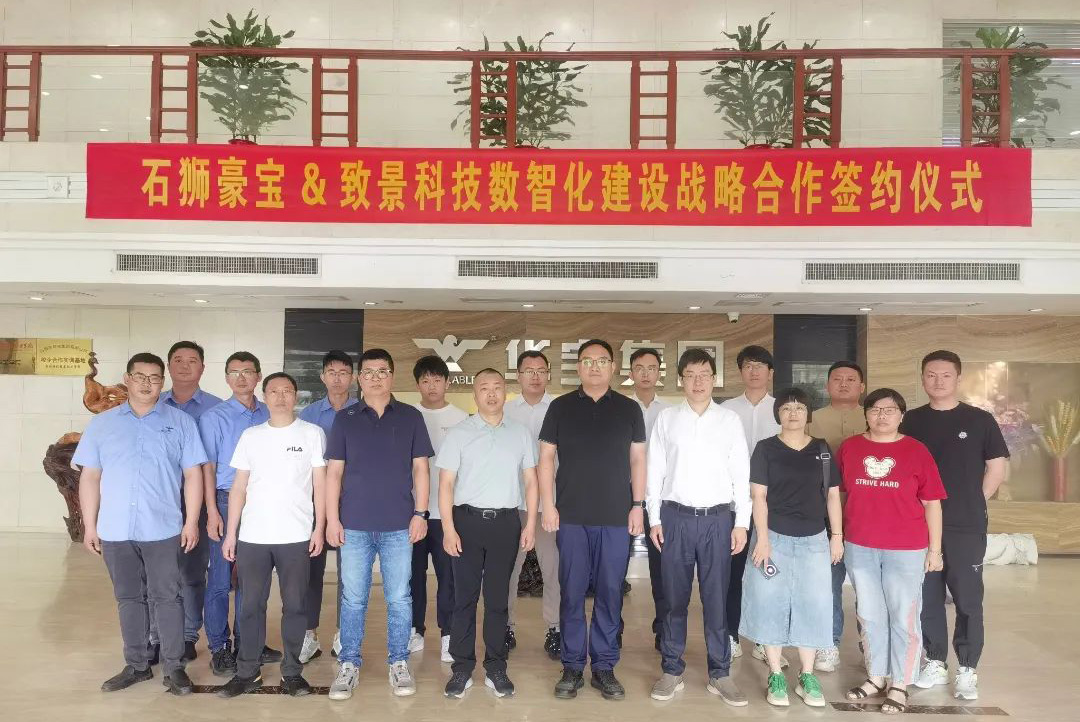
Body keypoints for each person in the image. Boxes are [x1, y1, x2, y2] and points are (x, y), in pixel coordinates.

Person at [74, 352, 206, 695]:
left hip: (162, 527)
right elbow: (90, 477)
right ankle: (136, 665)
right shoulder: (102, 425)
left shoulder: (180, 423)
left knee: (168, 597)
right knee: (128, 598)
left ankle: (174, 668)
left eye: (154, 378)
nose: (147, 383)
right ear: (127, 379)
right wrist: (90, 526)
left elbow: (193, 475)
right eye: (140, 376)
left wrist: (192, 521)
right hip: (115, 528)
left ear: (162, 382)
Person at [538, 339, 646, 701]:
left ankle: (603, 666)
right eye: (587, 361)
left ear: (613, 367)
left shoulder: (629, 409)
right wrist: (548, 505)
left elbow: (638, 460)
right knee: (571, 592)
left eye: (602, 361)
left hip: (616, 517)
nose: (595, 367)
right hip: (571, 516)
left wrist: (638, 505)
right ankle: (572, 666)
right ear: (578, 367)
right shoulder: (560, 407)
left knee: (610, 592)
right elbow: (546, 458)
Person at [325, 348, 433, 701]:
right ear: (359, 378)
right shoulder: (345, 419)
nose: (375, 378)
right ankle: (349, 663)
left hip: (399, 525)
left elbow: (421, 469)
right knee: (353, 599)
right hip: (353, 525)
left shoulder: (411, 417)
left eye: (382, 371)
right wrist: (332, 519)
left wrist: (420, 514)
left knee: (399, 598)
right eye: (368, 372)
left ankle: (398, 662)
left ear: (392, 376)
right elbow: (333, 473)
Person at [646, 348, 751, 706]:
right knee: (673, 599)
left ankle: (720, 673)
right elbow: (654, 471)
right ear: (680, 380)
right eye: (690, 375)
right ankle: (671, 669)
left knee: (716, 599)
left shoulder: (729, 420)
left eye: (704, 374)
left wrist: (742, 523)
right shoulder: (667, 419)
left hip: (718, 521)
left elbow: (741, 474)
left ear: (714, 378)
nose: (698, 381)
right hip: (674, 518)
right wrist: (655, 518)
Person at [902, 351, 1008, 701]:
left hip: (965, 524)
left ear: (958, 378)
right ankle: (935, 661)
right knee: (927, 594)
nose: (938, 381)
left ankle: (967, 667)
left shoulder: (979, 419)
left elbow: (996, 467)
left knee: (967, 595)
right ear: (922, 378)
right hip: (918, 523)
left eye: (945, 375)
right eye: (931, 375)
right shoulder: (910, 420)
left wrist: (974, 500)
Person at [218, 372, 327, 698]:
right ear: (264, 396)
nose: (281, 397)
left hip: (296, 535)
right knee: (250, 605)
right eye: (274, 391)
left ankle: (291, 672)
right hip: (253, 536)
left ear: (296, 396)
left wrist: (319, 527)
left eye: (287, 391)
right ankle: (247, 671)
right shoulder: (251, 436)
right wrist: (231, 534)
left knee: (295, 606)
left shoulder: (312, 433)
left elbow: (320, 485)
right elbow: (239, 487)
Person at [838, 388, 946, 715]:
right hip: (860, 545)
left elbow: (932, 503)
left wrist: (935, 550)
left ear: (901, 415)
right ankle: (876, 676)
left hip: (906, 547)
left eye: (889, 410)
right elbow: (839, 496)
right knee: (869, 614)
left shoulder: (916, 451)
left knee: (904, 615)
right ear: (866, 414)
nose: (882, 416)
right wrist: (839, 535)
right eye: (875, 409)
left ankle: (900, 682)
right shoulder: (850, 448)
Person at [739, 387, 844, 708]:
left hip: (814, 540)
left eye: (799, 408)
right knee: (769, 602)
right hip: (774, 538)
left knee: (813, 604)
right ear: (778, 415)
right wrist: (763, 539)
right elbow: (758, 496)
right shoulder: (765, 448)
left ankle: (807, 675)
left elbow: (833, 495)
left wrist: (836, 536)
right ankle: (775, 673)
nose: (793, 413)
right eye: (786, 408)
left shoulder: (822, 450)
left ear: (808, 413)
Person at [438, 369, 539, 698]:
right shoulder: (459, 433)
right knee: (464, 599)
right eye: (484, 388)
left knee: (498, 600)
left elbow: (531, 481)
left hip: (506, 524)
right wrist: (448, 528)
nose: (491, 393)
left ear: (505, 392)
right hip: (466, 523)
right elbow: (446, 484)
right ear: (475, 394)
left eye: (497, 387)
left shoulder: (520, 433)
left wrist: (530, 524)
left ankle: (496, 667)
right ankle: (462, 668)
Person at [198, 351, 277, 677]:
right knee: (220, 579)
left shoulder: (270, 413)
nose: (241, 378)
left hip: (262, 504)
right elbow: (208, 468)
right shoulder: (214, 417)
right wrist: (212, 511)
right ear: (226, 378)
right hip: (226, 501)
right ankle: (219, 648)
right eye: (234, 372)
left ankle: (248, 643)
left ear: (258, 376)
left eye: (247, 371)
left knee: (253, 581)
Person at [147, 340, 221, 664]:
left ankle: (189, 634)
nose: (185, 365)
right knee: (158, 571)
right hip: (159, 498)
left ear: (203, 367)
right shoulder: (152, 405)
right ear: (168, 367)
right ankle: (157, 636)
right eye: (178, 359)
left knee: (192, 570)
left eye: (192, 360)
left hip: (199, 499)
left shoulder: (216, 409)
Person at [720, 345, 782, 664]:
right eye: (748, 365)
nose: (754, 371)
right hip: (732, 506)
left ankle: (763, 640)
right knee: (731, 575)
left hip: (773, 507)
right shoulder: (726, 410)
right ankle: (731, 636)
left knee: (767, 576)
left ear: (770, 373)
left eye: (760, 366)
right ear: (740, 371)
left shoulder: (782, 409)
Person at [297, 350, 358, 663]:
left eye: (343, 372)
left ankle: (343, 634)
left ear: (353, 377)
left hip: (353, 500)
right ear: (322, 377)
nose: (337, 378)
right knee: (311, 569)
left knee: (350, 572)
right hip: (313, 500)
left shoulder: (362, 412)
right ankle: (308, 634)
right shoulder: (307, 416)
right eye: (332, 372)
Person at [807, 360, 866, 673]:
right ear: (827, 385)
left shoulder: (875, 416)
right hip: (824, 513)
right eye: (837, 379)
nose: (844, 384)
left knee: (868, 585)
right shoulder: (811, 419)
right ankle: (828, 642)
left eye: (851, 379)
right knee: (828, 582)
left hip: (867, 512)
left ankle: (870, 645)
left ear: (862, 386)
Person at [410, 355, 468, 662]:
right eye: (425, 381)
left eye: (437, 380)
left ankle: (448, 634)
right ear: (417, 384)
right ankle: (414, 630)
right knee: (412, 576)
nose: (432, 386)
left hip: (449, 515)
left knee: (449, 578)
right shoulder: (407, 415)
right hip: (413, 514)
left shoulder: (462, 419)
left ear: (447, 382)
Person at [505, 349, 561, 659]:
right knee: (508, 569)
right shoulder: (505, 410)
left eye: (541, 370)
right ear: (519, 375)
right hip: (513, 502)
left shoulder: (561, 408)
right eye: (529, 371)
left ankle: (555, 629)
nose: (535, 376)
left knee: (553, 569)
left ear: (548, 374)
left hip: (549, 505)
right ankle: (506, 627)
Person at [628, 347, 670, 651]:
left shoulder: (669, 413)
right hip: (623, 495)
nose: (645, 373)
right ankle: (613, 629)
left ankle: (664, 628)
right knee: (614, 564)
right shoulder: (619, 408)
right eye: (639, 368)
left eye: (651, 368)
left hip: (660, 497)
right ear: (630, 373)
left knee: (662, 565)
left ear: (659, 373)